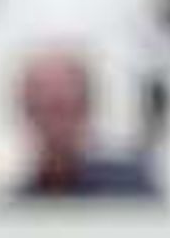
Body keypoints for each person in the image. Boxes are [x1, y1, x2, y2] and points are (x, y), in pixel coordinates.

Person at [12, 50, 159, 200]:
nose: (54, 125)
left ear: (85, 107)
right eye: (41, 108)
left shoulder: (130, 186)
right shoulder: (18, 202)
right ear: (27, 112)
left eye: (61, 107)